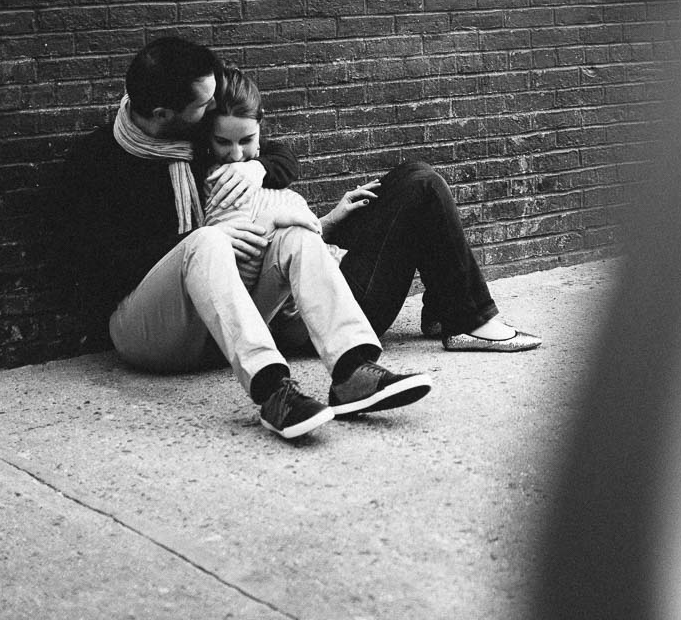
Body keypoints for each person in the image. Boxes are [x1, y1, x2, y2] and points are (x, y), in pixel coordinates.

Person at [64, 36, 432, 442]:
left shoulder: (197, 136)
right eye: (204, 103)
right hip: (150, 329)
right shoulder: (95, 162)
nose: (215, 105)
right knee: (206, 243)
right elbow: (98, 271)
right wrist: (199, 238)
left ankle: (352, 370)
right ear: (163, 114)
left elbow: (277, 154)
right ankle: (274, 392)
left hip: (220, 325)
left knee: (293, 233)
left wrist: (255, 170)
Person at [201, 66, 542, 353]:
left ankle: (445, 308)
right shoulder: (220, 183)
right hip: (316, 316)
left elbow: (283, 169)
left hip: (323, 278)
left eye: (246, 140)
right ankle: (471, 320)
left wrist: (328, 222)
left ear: (261, 126)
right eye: (223, 142)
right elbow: (249, 265)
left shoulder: (257, 166)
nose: (236, 155)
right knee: (422, 187)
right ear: (206, 138)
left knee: (409, 175)